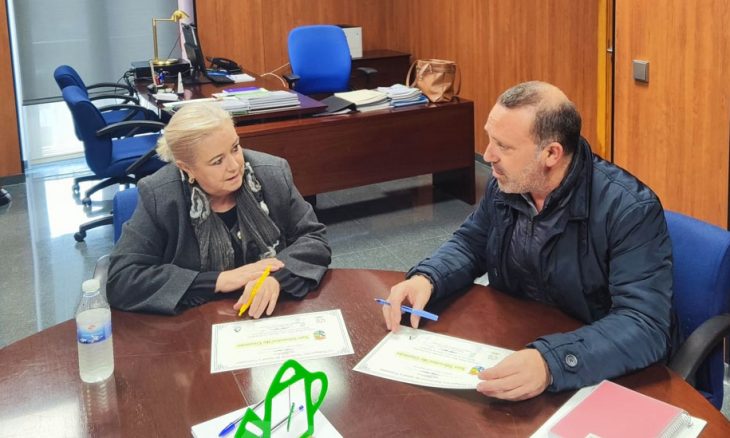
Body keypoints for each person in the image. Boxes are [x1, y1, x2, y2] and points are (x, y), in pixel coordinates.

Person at [382, 81, 675, 401]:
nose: (488, 156)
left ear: (551, 153)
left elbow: (644, 325)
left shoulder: (628, 209)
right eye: (490, 139)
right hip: (521, 343)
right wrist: (428, 277)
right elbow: (471, 242)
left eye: (503, 146)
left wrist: (552, 362)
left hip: (595, 365)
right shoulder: (508, 183)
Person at [107, 103, 331, 316]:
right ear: (187, 168)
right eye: (217, 161)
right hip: (196, 322)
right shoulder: (160, 195)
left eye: (235, 148)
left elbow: (313, 238)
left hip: (272, 313)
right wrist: (220, 280)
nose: (234, 166)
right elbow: (122, 279)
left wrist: (276, 278)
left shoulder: (272, 173)